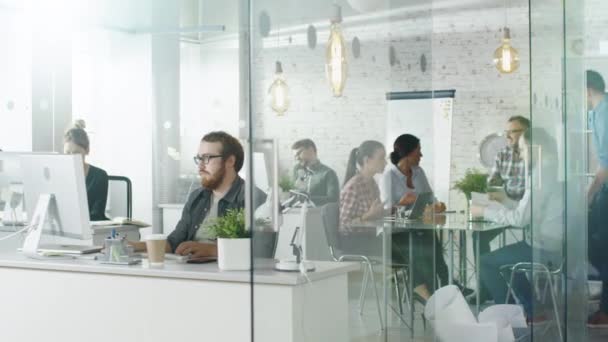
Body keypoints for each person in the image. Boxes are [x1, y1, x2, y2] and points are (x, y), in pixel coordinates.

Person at [340, 140, 448, 302]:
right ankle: (425, 293)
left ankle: (430, 292)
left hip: (371, 238)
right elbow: (344, 226)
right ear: (367, 160)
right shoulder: (353, 186)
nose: (385, 161)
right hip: (356, 242)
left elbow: (377, 214)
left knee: (420, 240)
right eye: (381, 158)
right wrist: (368, 216)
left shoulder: (371, 183)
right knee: (411, 246)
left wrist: (400, 206)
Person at [474, 128, 563, 321]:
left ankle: (510, 316)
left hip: (544, 248)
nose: (521, 155)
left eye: (522, 149)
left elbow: (521, 220)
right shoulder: (553, 169)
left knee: (486, 262)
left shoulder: (539, 176)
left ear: (534, 147)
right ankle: (531, 310)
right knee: (504, 263)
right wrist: (504, 199)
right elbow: (529, 212)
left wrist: (483, 211)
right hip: (556, 246)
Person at [132, 131, 265, 257]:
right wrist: (132, 246)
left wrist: (212, 250)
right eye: (199, 158)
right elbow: (173, 243)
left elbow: (261, 253)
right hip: (192, 273)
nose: (200, 166)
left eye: (207, 158)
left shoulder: (254, 199)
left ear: (230, 161)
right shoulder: (198, 197)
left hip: (228, 278)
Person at [380, 134, 457, 300]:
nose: (421, 155)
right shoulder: (389, 176)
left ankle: (445, 285)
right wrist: (401, 203)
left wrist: (437, 206)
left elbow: (429, 198)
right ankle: (429, 290)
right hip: (394, 235)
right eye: (418, 151)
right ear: (408, 153)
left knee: (429, 238)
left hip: (416, 230)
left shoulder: (418, 172)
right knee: (421, 246)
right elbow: (384, 212)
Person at [586, 69, 608, 327]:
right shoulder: (596, 113)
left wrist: (589, 193)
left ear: (587, 89)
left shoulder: (604, 113)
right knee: (597, 248)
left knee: (600, 250)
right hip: (604, 188)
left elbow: (607, 161)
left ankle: (605, 310)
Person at [63, 120, 109, 221]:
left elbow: (96, 215)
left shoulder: (99, 176)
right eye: (67, 153)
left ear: (87, 150)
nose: (71, 158)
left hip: (92, 229)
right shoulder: (59, 176)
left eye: (76, 153)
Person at [488, 115, 530, 201]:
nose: (507, 136)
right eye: (506, 132)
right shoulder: (502, 155)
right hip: (507, 205)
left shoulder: (537, 154)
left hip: (530, 206)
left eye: (512, 132)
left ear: (526, 132)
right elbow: (493, 185)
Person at [291, 139, 339, 206]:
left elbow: (333, 199)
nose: (296, 158)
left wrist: (307, 198)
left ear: (311, 150)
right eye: (295, 155)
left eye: (299, 153)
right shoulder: (297, 169)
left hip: (319, 214)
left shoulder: (329, 173)